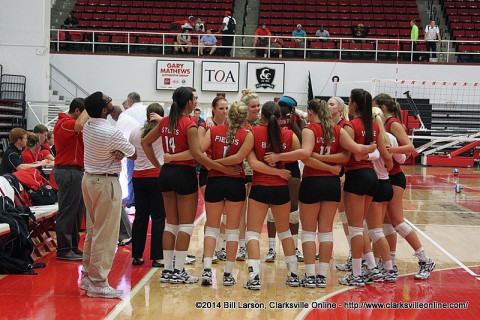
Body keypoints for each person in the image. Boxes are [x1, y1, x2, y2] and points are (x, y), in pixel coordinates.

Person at [264, 99, 375, 288]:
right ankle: (322, 276)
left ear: (310, 111)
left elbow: (306, 155)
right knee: (326, 232)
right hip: (331, 185)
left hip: (312, 182)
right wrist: (334, 168)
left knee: (308, 233)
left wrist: (281, 156)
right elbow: (346, 156)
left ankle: (309, 275)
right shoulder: (337, 129)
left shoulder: (310, 129)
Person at [141, 87, 236, 284]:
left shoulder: (165, 122)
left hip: (166, 174)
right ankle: (179, 270)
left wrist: (159, 166)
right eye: (194, 99)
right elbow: (197, 154)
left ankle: (167, 271)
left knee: (171, 224)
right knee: (185, 224)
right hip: (184, 174)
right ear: (188, 103)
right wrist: (222, 168)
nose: (196, 101)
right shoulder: (189, 124)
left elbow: (145, 142)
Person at [79, 91, 136, 299]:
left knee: (94, 231)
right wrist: (120, 152)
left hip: (89, 179)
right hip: (105, 182)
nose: (112, 101)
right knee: (106, 235)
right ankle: (98, 282)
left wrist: (120, 151)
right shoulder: (110, 132)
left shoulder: (88, 126)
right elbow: (133, 152)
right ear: (104, 110)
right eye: (109, 100)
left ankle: (87, 276)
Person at [373, 93, 436, 280]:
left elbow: (410, 147)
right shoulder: (384, 125)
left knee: (397, 221)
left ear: (382, 108)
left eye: (374, 107)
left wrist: (390, 151)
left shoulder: (392, 123)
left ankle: (425, 259)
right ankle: (389, 263)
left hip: (395, 177)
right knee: (386, 224)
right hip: (385, 177)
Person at [243, 101, 300, 290]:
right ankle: (293, 275)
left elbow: (254, 164)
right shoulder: (289, 135)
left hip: (260, 187)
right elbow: (299, 155)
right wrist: (280, 169)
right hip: (281, 188)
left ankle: (255, 277)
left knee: (252, 233)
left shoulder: (254, 132)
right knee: (285, 232)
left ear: (263, 116)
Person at [337, 88, 390, 287]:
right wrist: (366, 153)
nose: (348, 104)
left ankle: (357, 274)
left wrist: (360, 154)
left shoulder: (350, 126)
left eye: (350, 101)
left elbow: (348, 155)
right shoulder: (374, 126)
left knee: (355, 229)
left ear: (355, 104)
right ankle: (374, 268)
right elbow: (376, 151)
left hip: (357, 177)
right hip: (372, 177)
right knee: (362, 227)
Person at [200, 101, 253, 286]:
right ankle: (228, 274)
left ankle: (207, 269)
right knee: (232, 230)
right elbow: (239, 158)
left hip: (214, 181)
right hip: (235, 182)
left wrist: (213, 165)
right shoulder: (247, 134)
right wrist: (226, 166)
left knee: (212, 228)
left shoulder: (213, 131)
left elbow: (199, 152)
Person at [129, 103, 166, 268]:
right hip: (156, 175)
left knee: (140, 217)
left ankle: (136, 256)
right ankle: (157, 257)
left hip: (138, 176)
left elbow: (132, 153)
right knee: (158, 217)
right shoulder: (163, 130)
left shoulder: (136, 131)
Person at [54, 97, 88, 261]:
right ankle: (64, 249)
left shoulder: (70, 124)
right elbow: (79, 125)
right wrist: (90, 108)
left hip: (75, 171)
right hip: (68, 170)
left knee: (76, 212)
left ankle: (73, 246)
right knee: (67, 211)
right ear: (77, 111)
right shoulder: (63, 123)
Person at [110, 105, 140, 246]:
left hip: (130, 157)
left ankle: (125, 234)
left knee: (128, 183)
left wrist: (119, 152)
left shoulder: (120, 123)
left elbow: (127, 150)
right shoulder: (127, 119)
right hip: (133, 156)